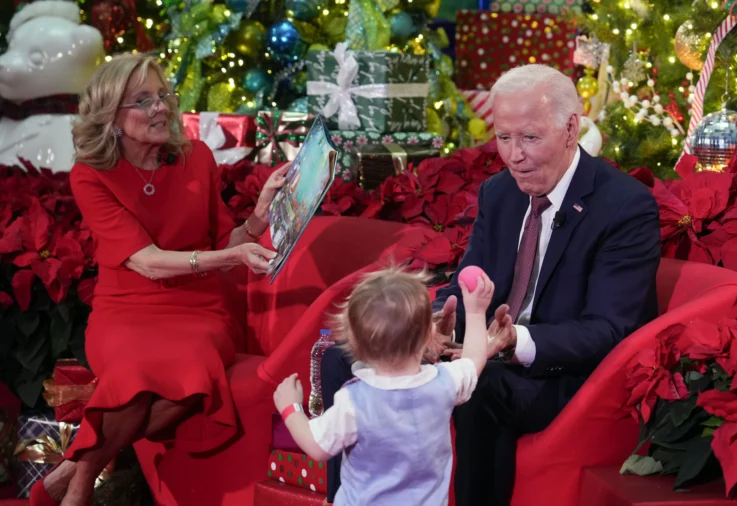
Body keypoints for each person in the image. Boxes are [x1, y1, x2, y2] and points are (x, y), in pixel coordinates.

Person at [320, 63, 661, 506]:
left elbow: (612, 328)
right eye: (504, 138)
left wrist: (515, 340)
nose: (514, 155)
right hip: (485, 346)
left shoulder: (624, 206)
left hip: (560, 373)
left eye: (530, 138)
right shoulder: (500, 192)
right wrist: (433, 322)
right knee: (344, 358)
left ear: (571, 127)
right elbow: (471, 280)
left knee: (479, 389)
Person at [30, 53, 289, 506]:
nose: (160, 109)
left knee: (195, 371)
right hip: (126, 308)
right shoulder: (90, 174)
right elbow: (146, 262)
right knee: (132, 373)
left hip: (198, 310)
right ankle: (78, 486)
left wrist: (258, 218)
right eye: (143, 101)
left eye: (163, 96)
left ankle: (75, 474)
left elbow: (222, 242)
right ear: (111, 116)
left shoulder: (197, 158)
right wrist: (229, 254)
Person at [273, 267, 499, 505]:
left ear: (356, 346)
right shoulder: (444, 382)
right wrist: (476, 311)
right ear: (428, 337)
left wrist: (291, 408)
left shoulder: (354, 400)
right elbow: (474, 360)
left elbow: (317, 446)